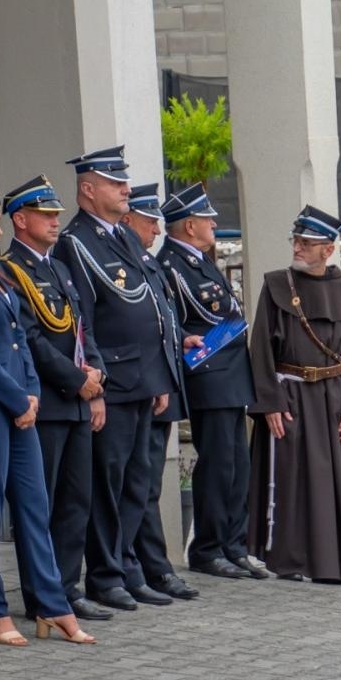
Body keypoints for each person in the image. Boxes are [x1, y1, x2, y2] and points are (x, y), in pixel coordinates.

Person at [0, 184, 94, 647]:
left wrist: (31, 393)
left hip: (18, 404)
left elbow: (19, 339)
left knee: (33, 506)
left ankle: (53, 604)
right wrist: (14, 397)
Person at [53, 146, 178, 611]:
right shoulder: (76, 242)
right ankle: (105, 575)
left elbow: (148, 307)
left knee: (135, 483)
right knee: (106, 486)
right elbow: (83, 319)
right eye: (114, 182)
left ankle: (127, 568)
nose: (126, 189)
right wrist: (97, 387)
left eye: (124, 182)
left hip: (143, 378)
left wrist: (159, 376)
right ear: (89, 190)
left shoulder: (121, 236)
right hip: (115, 381)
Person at [0, 176, 113, 624]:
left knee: (75, 501)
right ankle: (41, 595)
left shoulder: (58, 267)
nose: (55, 221)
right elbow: (30, 339)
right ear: (19, 220)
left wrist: (96, 376)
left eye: (55, 214)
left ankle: (66, 587)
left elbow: (82, 328)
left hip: (79, 400)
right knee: (39, 506)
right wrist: (75, 380)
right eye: (45, 215)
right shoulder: (10, 269)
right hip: (47, 401)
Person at [246, 205, 341, 585]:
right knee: (292, 482)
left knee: (338, 484)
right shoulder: (276, 286)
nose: (298, 248)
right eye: (297, 240)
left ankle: (337, 564)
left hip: (336, 400)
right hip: (291, 398)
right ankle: (290, 561)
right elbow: (260, 351)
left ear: (328, 250)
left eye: (307, 243)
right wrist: (269, 402)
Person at [156, 184, 264, 581]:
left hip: (229, 374)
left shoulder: (198, 259)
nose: (214, 224)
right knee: (217, 464)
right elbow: (173, 318)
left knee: (238, 463)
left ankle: (233, 545)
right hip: (209, 374)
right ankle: (207, 548)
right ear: (188, 226)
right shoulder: (171, 263)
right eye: (207, 218)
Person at [118, 183, 198, 603]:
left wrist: (181, 338)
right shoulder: (127, 259)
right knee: (140, 486)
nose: (155, 231)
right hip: (144, 386)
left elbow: (161, 320)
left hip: (162, 384)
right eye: (150, 222)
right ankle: (143, 569)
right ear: (129, 220)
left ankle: (150, 567)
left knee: (148, 485)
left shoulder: (145, 260)